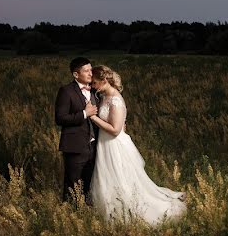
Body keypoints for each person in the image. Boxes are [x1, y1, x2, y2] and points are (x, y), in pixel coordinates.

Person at [88, 65, 186, 225]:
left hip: (114, 145)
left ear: (104, 80)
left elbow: (115, 130)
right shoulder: (103, 96)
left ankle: (129, 207)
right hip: (105, 144)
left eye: (94, 83)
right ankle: (110, 207)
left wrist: (93, 118)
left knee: (122, 178)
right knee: (108, 177)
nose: (93, 86)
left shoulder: (116, 100)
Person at [54, 57, 99, 203]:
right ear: (75, 74)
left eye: (91, 70)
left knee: (90, 182)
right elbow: (60, 118)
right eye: (86, 71)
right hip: (75, 145)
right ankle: (69, 214)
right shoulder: (66, 91)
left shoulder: (95, 90)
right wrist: (85, 114)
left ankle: (86, 212)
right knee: (72, 184)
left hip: (94, 145)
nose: (90, 73)